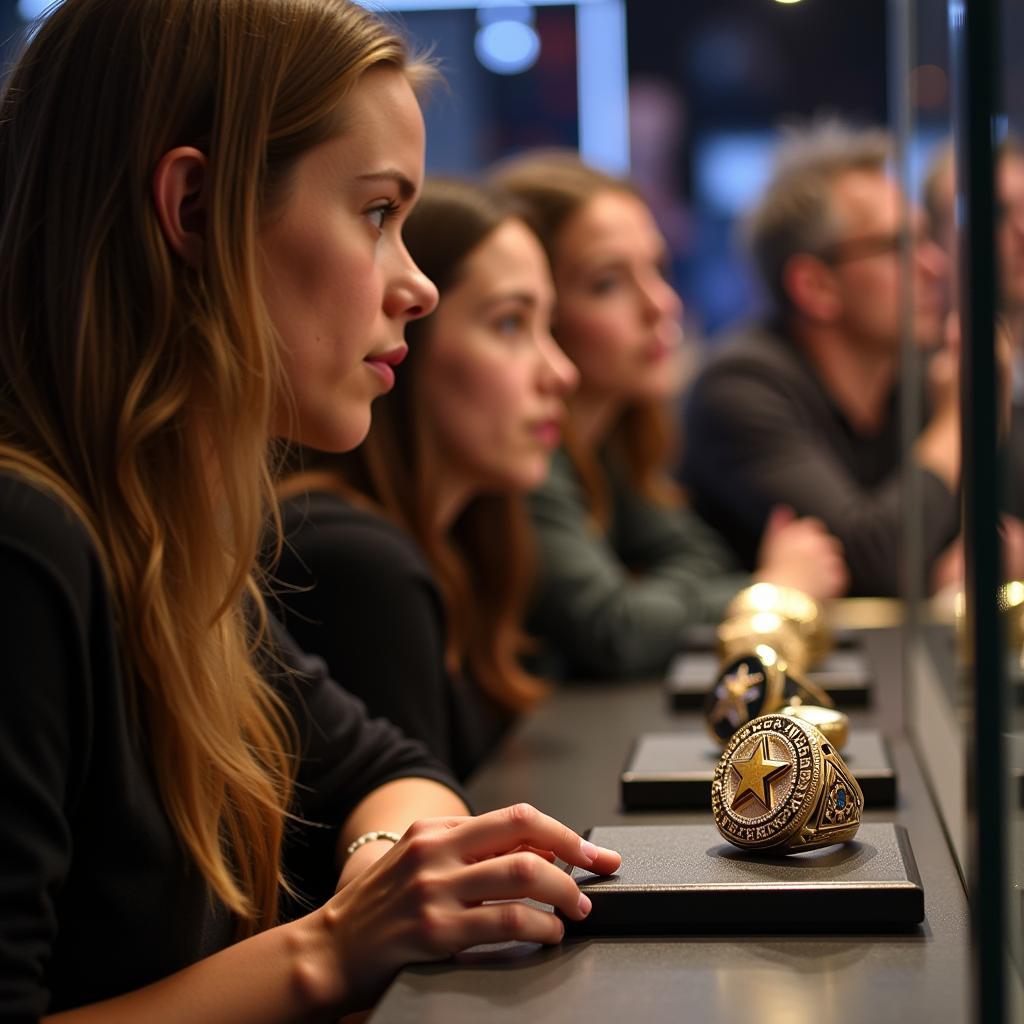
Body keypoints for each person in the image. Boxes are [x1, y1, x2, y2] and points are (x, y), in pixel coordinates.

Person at [0, 3, 619, 1020]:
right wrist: (332, 947)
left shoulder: (166, 540)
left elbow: (389, 764)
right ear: (195, 209)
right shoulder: (28, 543)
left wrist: (383, 863)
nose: (416, 284)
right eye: (377, 212)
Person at [491, 151, 847, 680]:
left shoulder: (611, 445)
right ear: (541, 307)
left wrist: (744, 588)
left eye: (658, 269)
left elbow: (704, 561)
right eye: (608, 283)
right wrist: (768, 590)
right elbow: (617, 630)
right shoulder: (523, 458)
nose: (661, 304)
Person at [271, 179, 578, 780]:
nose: (561, 372)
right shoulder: (354, 561)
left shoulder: (459, 543)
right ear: (404, 345)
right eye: (512, 325)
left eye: (550, 326)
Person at [681, 121, 958, 597]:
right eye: (899, 246)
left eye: (927, 239)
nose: (935, 265)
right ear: (815, 286)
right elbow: (874, 564)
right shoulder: (739, 386)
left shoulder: (925, 371)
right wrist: (959, 423)